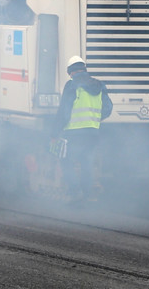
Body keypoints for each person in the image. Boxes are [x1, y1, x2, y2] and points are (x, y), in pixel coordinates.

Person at [54, 55, 113, 203]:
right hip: (92, 132)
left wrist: (54, 132)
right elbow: (108, 108)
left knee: (65, 160)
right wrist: (94, 119)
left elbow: (64, 112)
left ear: (71, 72)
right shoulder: (99, 86)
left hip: (73, 132)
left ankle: (75, 191)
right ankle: (86, 194)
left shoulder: (72, 86)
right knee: (86, 162)